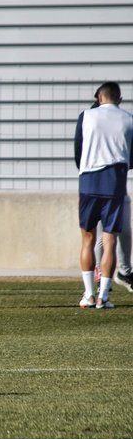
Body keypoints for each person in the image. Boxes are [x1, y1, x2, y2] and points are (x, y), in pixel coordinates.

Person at [74, 81, 133, 309]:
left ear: (99, 97)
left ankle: (88, 294)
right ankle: (103, 297)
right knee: (110, 240)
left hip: (88, 180)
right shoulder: (128, 118)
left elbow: (78, 149)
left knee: (87, 238)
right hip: (115, 182)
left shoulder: (86, 116)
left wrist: (86, 166)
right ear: (119, 98)